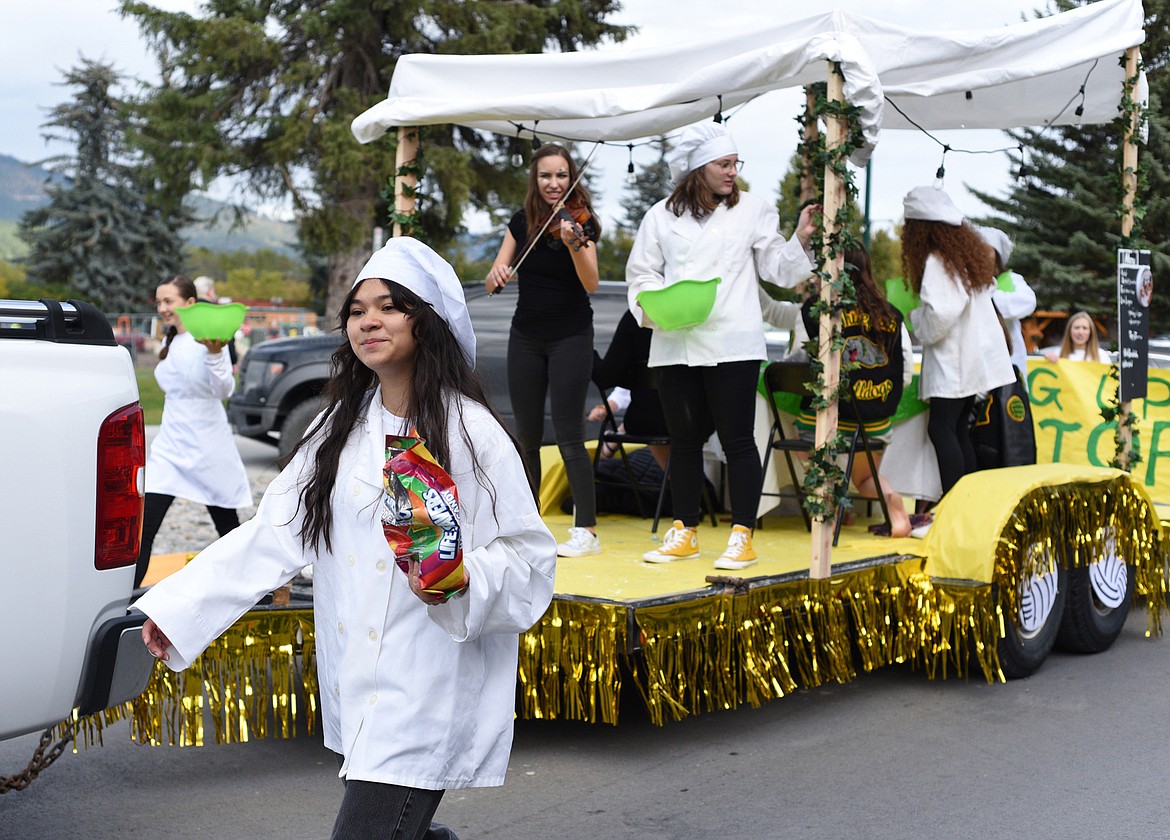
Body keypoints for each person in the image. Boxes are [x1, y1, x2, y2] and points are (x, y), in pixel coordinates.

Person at [137, 238, 557, 840]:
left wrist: (455, 574)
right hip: (357, 680)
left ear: (427, 320)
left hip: (426, 688)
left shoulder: (472, 432)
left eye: (389, 307)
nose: (369, 322)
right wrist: (182, 609)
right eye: (357, 311)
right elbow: (276, 530)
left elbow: (529, 560)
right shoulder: (339, 428)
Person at [626, 121, 818, 570]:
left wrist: (802, 238)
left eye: (735, 164)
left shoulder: (753, 209)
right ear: (698, 169)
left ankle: (741, 535)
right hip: (675, 341)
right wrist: (654, 305)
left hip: (734, 342)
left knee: (738, 440)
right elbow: (642, 274)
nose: (733, 172)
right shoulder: (659, 216)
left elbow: (779, 270)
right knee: (684, 440)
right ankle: (685, 530)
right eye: (724, 164)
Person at [486, 144, 602, 558]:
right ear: (534, 181)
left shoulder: (581, 222)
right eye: (545, 176)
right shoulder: (521, 222)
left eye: (561, 175)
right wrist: (497, 272)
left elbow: (591, 283)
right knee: (527, 437)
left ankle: (586, 530)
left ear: (572, 179)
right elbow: (493, 281)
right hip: (526, 335)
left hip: (571, 333)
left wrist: (574, 245)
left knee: (570, 435)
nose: (554, 183)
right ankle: (529, 524)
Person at [134, 275, 252, 588]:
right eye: (158, 302)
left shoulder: (210, 338)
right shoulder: (168, 341)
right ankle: (123, 601)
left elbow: (224, 388)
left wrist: (214, 355)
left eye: (168, 301)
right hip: (171, 447)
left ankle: (253, 591)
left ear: (189, 303)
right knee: (144, 531)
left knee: (227, 527)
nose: (162, 308)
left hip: (207, 447)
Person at [901, 186, 1015, 497]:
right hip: (971, 361)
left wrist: (917, 321)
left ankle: (954, 504)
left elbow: (941, 314)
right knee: (957, 429)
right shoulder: (964, 256)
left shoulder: (940, 261)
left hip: (956, 362)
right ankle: (967, 503)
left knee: (941, 429)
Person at [795, 246, 914, 538]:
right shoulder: (891, 313)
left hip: (826, 418)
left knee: (801, 443)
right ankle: (890, 499)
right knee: (864, 478)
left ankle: (831, 505)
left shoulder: (816, 310)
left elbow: (797, 364)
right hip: (873, 418)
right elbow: (907, 371)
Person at [977, 226, 1037, 377]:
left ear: (997, 257)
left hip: (1009, 361)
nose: (982, 256)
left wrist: (988, 300)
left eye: (987, 251)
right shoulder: (966, 282)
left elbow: (1028, 302)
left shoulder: (1012, 280)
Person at [1043, 311, 1111, 362]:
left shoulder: (1101, 356)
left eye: (1085, 328)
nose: (1080, 332)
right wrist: (1048, 362)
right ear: (1069, 331)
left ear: (1091, 332)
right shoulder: (1058, 354)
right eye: (1076, 327)